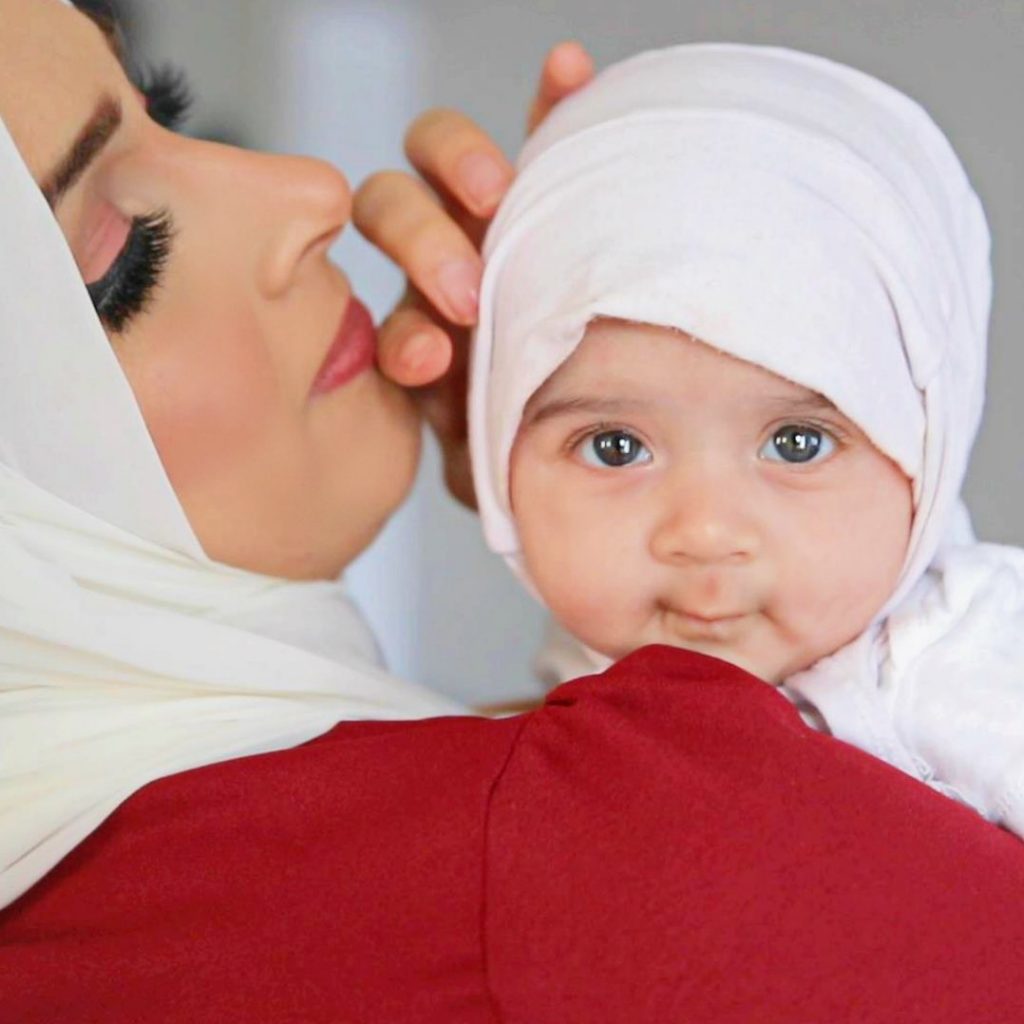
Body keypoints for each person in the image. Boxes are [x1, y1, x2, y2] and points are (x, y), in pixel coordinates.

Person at [3, 4, 1024, 1021]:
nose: (311, 187)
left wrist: (578, 405)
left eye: (165, 110)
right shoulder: (620, 852)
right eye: (122, 256)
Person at [470, 43, 1024, 834]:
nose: (703, 531)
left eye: (797, 443)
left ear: (927, 454)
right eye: (615, 447)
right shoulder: (574, 683)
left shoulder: (968, 676)